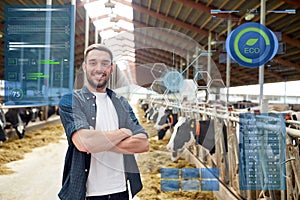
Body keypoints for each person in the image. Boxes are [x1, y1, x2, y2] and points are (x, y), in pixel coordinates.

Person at [58, 43, 149, 200]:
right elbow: (84, 143)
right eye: (93, 63)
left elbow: (143, 143)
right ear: (85, 67)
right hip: (86, 194)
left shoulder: (122, 103)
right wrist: (123, 133)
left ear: (111, 68)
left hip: (120, 191)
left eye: (105, 63)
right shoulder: (71, 100)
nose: (99, 69)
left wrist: (98, 141)